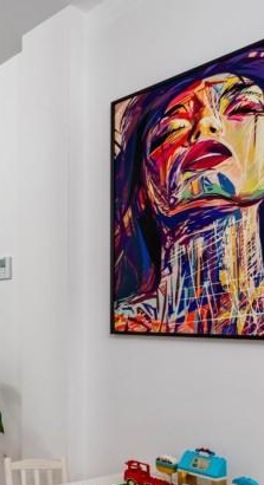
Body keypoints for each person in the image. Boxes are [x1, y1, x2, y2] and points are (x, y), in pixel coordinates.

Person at [113, 46, 264, 335]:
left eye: (243, 108)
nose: (206, 124)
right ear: (143, 191)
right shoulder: (125, 323)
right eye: (172, 129)